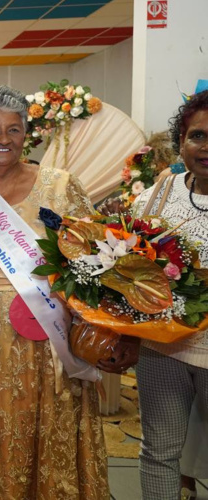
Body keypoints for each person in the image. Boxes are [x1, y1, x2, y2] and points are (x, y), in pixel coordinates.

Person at [0, 86, 137, 499]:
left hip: (47, 338)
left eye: (14, 129)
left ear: (27, 134)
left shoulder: (61, 186)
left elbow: (93, 261)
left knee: (44, 424)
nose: (2, 139)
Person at [132, 89, 208, 500]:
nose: (207, 147)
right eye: (198, 136)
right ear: (181, 140)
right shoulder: (156, 196)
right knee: (159, 452)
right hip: (162, 350)